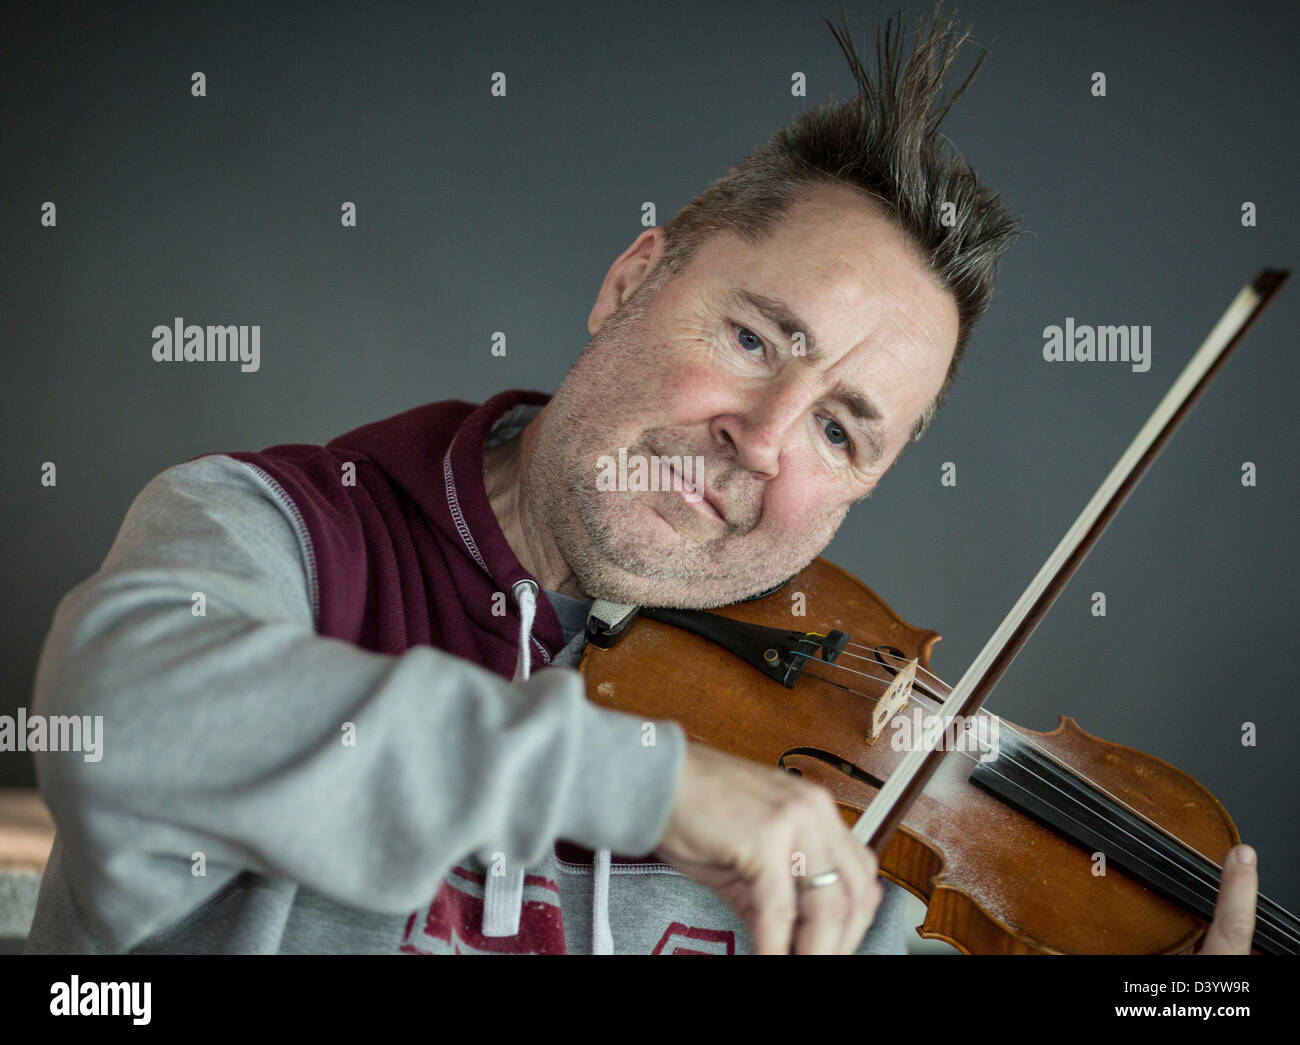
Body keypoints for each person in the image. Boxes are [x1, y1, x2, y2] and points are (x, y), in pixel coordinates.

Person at [24, 7, 1259, 955]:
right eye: (755, 340)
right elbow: (126, 715)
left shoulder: (848, 809)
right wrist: (655, 788)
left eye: (842, 432)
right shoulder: (282, 536)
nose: (765, 437)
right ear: (632, 283)